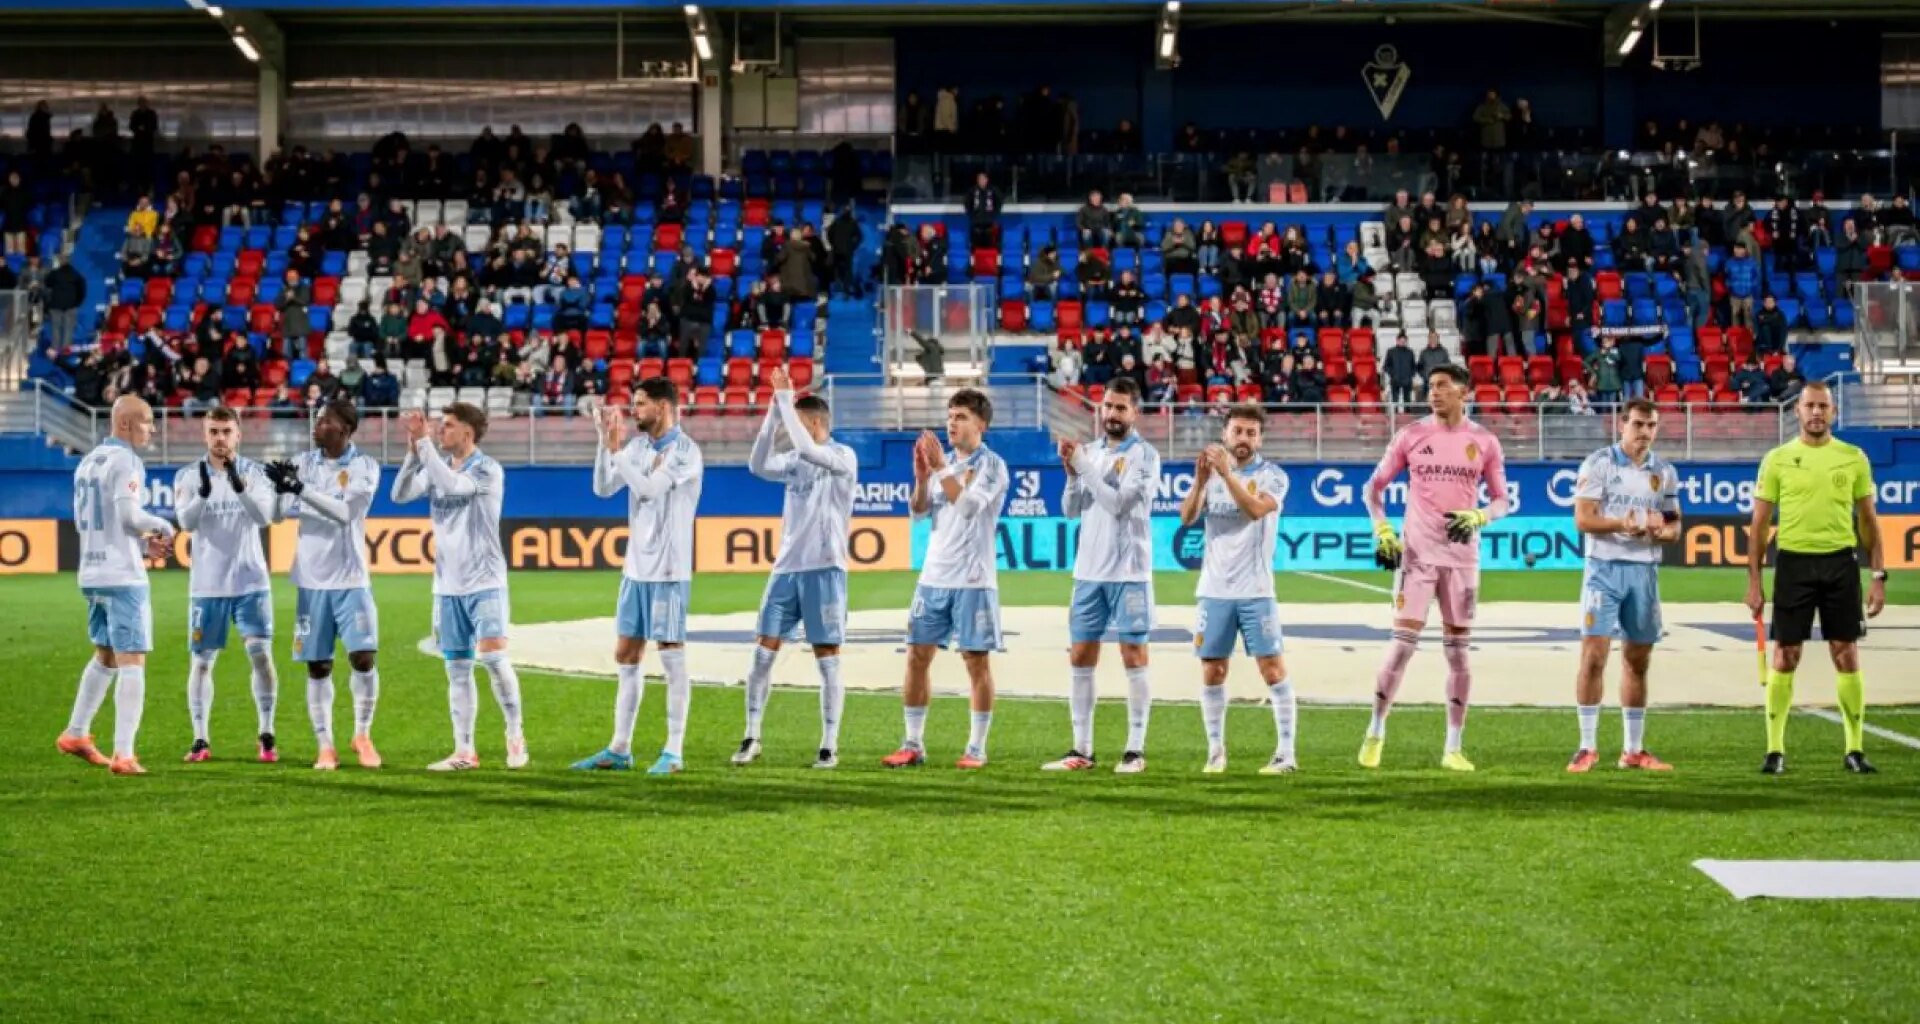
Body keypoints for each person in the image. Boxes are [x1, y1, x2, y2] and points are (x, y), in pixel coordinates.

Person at [1360, 365, 1509, 771]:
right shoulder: (1411, 435)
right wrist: (1383, 530)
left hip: (1462, 559)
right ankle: (1375, 731)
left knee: (1458, 655)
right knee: (1402, 645)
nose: (1433, 393)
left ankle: (1453, 747)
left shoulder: (1485, 442)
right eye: (1430, 387)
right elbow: (1372, 489)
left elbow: (1502, 500)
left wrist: (1480, 516)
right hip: (1417, 556)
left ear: (1464, 393)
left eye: (1443, 386)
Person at [1746, 383, 1886, 776]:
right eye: (1810, 406)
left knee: (1846, 653)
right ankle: (1774, 750)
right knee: (1785, 655)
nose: (1817, 413)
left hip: (1841, 564)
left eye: (1823, 406)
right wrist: (1754, 581)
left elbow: (1869, 521)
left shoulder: (1853, 458)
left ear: (1834, 412)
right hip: (1793, 564)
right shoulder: (1777, 459)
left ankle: (1854, 749)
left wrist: (1878, 575)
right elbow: (1759, 525)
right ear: (1798, 411)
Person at [573, 378, 705, 775]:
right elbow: (602, 488)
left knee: (671, 656)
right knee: (627, 654)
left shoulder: (686, 452)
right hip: (636, 568)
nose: (635, 410)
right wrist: (605, 444)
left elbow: (648, 490)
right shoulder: (637, 448)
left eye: (642, 403)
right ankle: (620, 748)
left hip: (668, 569)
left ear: (663, 407)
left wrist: (618, 452)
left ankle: (674, 751)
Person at [390, 404, 527, 772]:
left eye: (448, 426)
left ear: (468, 432)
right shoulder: (436, 467)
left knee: (494, 660)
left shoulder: (487, 469)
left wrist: (424, 446)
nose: (440, 431)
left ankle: (515, 732)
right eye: (439, 426)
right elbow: (400, 494)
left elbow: (453, 486)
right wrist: (412, 454)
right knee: (458, 669)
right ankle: (465, 751)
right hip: (447, 586)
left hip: (485, 582)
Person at [735, 367, 859, 769]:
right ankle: (751, 735)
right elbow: (757, 464)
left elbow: (809, 449)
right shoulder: (794, 459)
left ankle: (829, 744)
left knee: (827, 657)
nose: (791, 433)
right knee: (762, 654)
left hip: (825, 568)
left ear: (817, 423)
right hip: (786, 569)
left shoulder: (842, 457)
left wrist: (787, 401)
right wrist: (776, 409)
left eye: (798, 424)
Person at [881, 390, 1008, 769]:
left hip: (973, 580)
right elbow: (919, 512)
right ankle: (912, 743)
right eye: (950, 416)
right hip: (933, 576)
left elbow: (969, 508)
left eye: (961, 416)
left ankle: (976, 748)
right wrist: (922, 479)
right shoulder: (945, 463)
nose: (951, 423)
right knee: (917, 656)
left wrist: (938, 468)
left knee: (975, 661)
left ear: (981, 424)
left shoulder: (992, 466)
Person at [262, 400, 383, 771]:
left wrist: (300, 490)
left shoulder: (364, 466)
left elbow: (346, 513)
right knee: (317, 665)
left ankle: (362, 734)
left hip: (351, 579)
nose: (316, 425)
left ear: (345, 428)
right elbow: (276, 514)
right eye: (316, 419)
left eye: (325, 420)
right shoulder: (302, 462)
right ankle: (325, 744)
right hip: (311, 581)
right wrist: (281, 490)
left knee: (363, 656)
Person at [1048, 376, 1161, 773]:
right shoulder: (1092, 452)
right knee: (1080, 655)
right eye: (1108, 406)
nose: (1111, 413)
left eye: (1120, 408)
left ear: (1135, 412)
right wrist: (1071, 473)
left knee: (1134, 656)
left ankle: (1134, 750)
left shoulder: (1145, 456)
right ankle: (1081, 750)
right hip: (1089, 571)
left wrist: (1082, 466)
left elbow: (1117, 504)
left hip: (1129, 571)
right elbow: (1070, 509)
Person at [57, 397, 175, 775]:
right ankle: (125, 754)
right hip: (123, 577)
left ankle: (76, 732)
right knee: (132, 660)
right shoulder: (127, 460)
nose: (152, 429)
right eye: (146, 421)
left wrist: (141, 546)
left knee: (106, 654)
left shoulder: (88, 462)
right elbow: (128, 515)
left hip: (92, 574)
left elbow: (100, 522)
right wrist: (163, 525)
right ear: (125, 424)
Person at [1178, 406, 1296, 774]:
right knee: (1212, 670)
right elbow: (1187, 517)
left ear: (1260, 439)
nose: (1243, 439)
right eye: (1237, 431)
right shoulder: (1211, 474)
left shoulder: (1273, 476)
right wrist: (1200, 482)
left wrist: (1226, 474)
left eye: (1251, 433)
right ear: (1225, 434)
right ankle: (1215, 751)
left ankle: (1286, 754)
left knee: (1272, 669)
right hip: (1214, 589)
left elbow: (1256, 510)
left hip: (1256, 590)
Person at [1567, 400, 1682, 773]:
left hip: (1644, 572)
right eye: (1638, 424)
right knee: (1594, 656)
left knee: (1638, 660)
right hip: (1603, 569)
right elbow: (1583, 520)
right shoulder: (1599, 463)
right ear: (1622, 424)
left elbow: (1675, 526)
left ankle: (1633, 750)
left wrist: (1660, 531)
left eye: (1651, 426)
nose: (1644, 432)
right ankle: (1586, 747)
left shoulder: (1664, 472)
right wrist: (1622, 524)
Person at [173, 408, 279, 764]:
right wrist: (202, 495)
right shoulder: (189, 476)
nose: (220, 438)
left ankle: (266, 733)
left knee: (260, 655)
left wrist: (240, 487)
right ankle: (200, 738)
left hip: (251, 581)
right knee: (202, 663)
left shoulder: (256, 473)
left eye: (226, 431)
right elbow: (186, 523)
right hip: (207, 586)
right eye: (214, 431)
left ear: (238, 435)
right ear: (205, 435)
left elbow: (264, 517)